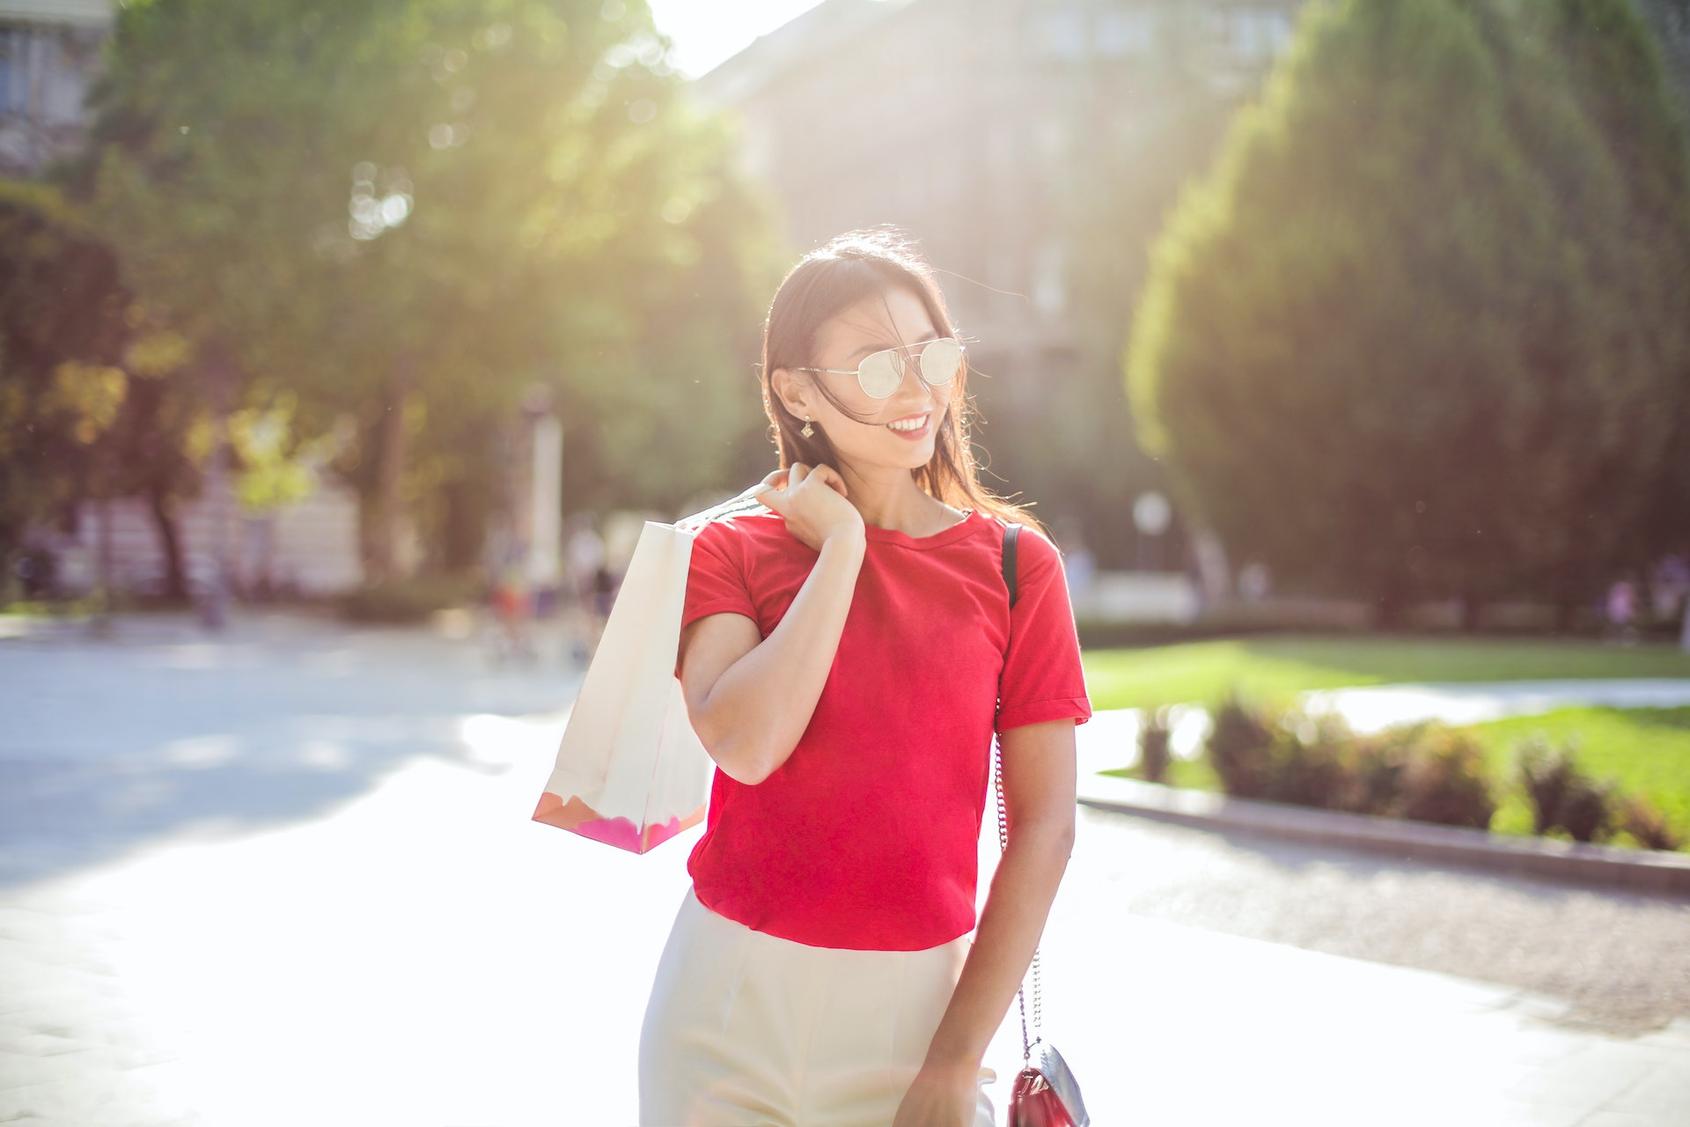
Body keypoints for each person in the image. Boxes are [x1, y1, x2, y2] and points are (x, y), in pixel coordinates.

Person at [640, 228, 1093, 1127]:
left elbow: (1045, 827)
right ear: (796, 389)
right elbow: (748, 741)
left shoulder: (1016, 568)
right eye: (878, 365)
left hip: (919, 1021)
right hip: (723, 1010)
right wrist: (843, 549)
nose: (919, 387)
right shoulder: (730, 549)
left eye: (932, 354)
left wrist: (956, 1057)